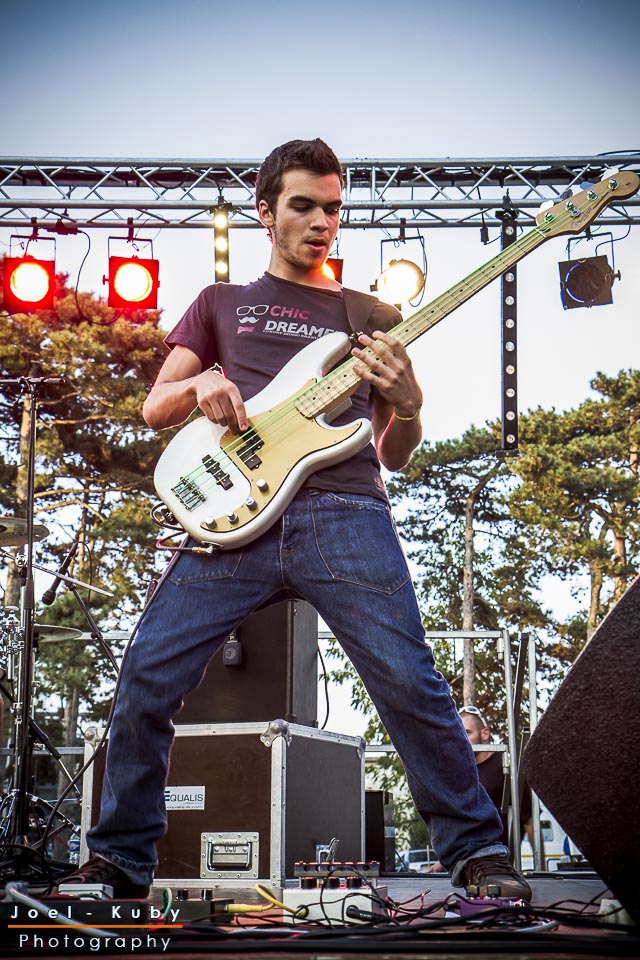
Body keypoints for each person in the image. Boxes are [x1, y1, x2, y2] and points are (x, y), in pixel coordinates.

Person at [63, 138, 531, 901]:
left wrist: (411, 405)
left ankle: (478, 853)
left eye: (333, 208)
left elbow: (395, 452)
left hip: (345, 511)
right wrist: (202, 385)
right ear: (266, 211)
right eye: (304, 206)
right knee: (146, 676)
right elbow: (155, 407)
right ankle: (119, 861)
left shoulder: (370, 314)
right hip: (231, 514)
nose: (322, 222)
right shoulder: (220, 303)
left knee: (410, 683)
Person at [428, 705, 536, 872]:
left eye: (467, 732)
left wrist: (541, 866)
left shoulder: (505, 766)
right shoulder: (459, 770)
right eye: (457, 733)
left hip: (498, 862)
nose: (461, 738)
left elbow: (529, 820)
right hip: (467, 864)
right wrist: (442, 863)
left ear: (485, 734)